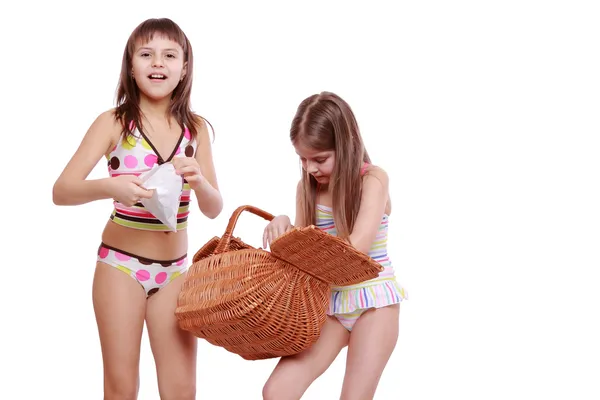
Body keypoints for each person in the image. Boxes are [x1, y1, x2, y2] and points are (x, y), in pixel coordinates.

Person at [52, 18, 222, 399]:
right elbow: (61, 190)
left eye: (169, 55)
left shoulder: (196, 130)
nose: (157, 63)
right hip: (120, 267)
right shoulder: (113, 123)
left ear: (184, 67)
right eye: (146, 54)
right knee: (121, 387)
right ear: (131, 65)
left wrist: (200, 182)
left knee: (181, 390)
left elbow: (213, 208)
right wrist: (110, 186)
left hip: (176, 274)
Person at [261, 91, 408, 400]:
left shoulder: (374, 180)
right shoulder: (307, 188)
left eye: (320, 159)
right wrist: (285, 224)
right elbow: (302, 261)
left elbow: (356, 250)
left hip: (374, 302)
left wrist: (300, 241)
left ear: (346, 145)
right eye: (303, 159)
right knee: (277, 391)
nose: (311, 167)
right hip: (332, 305)